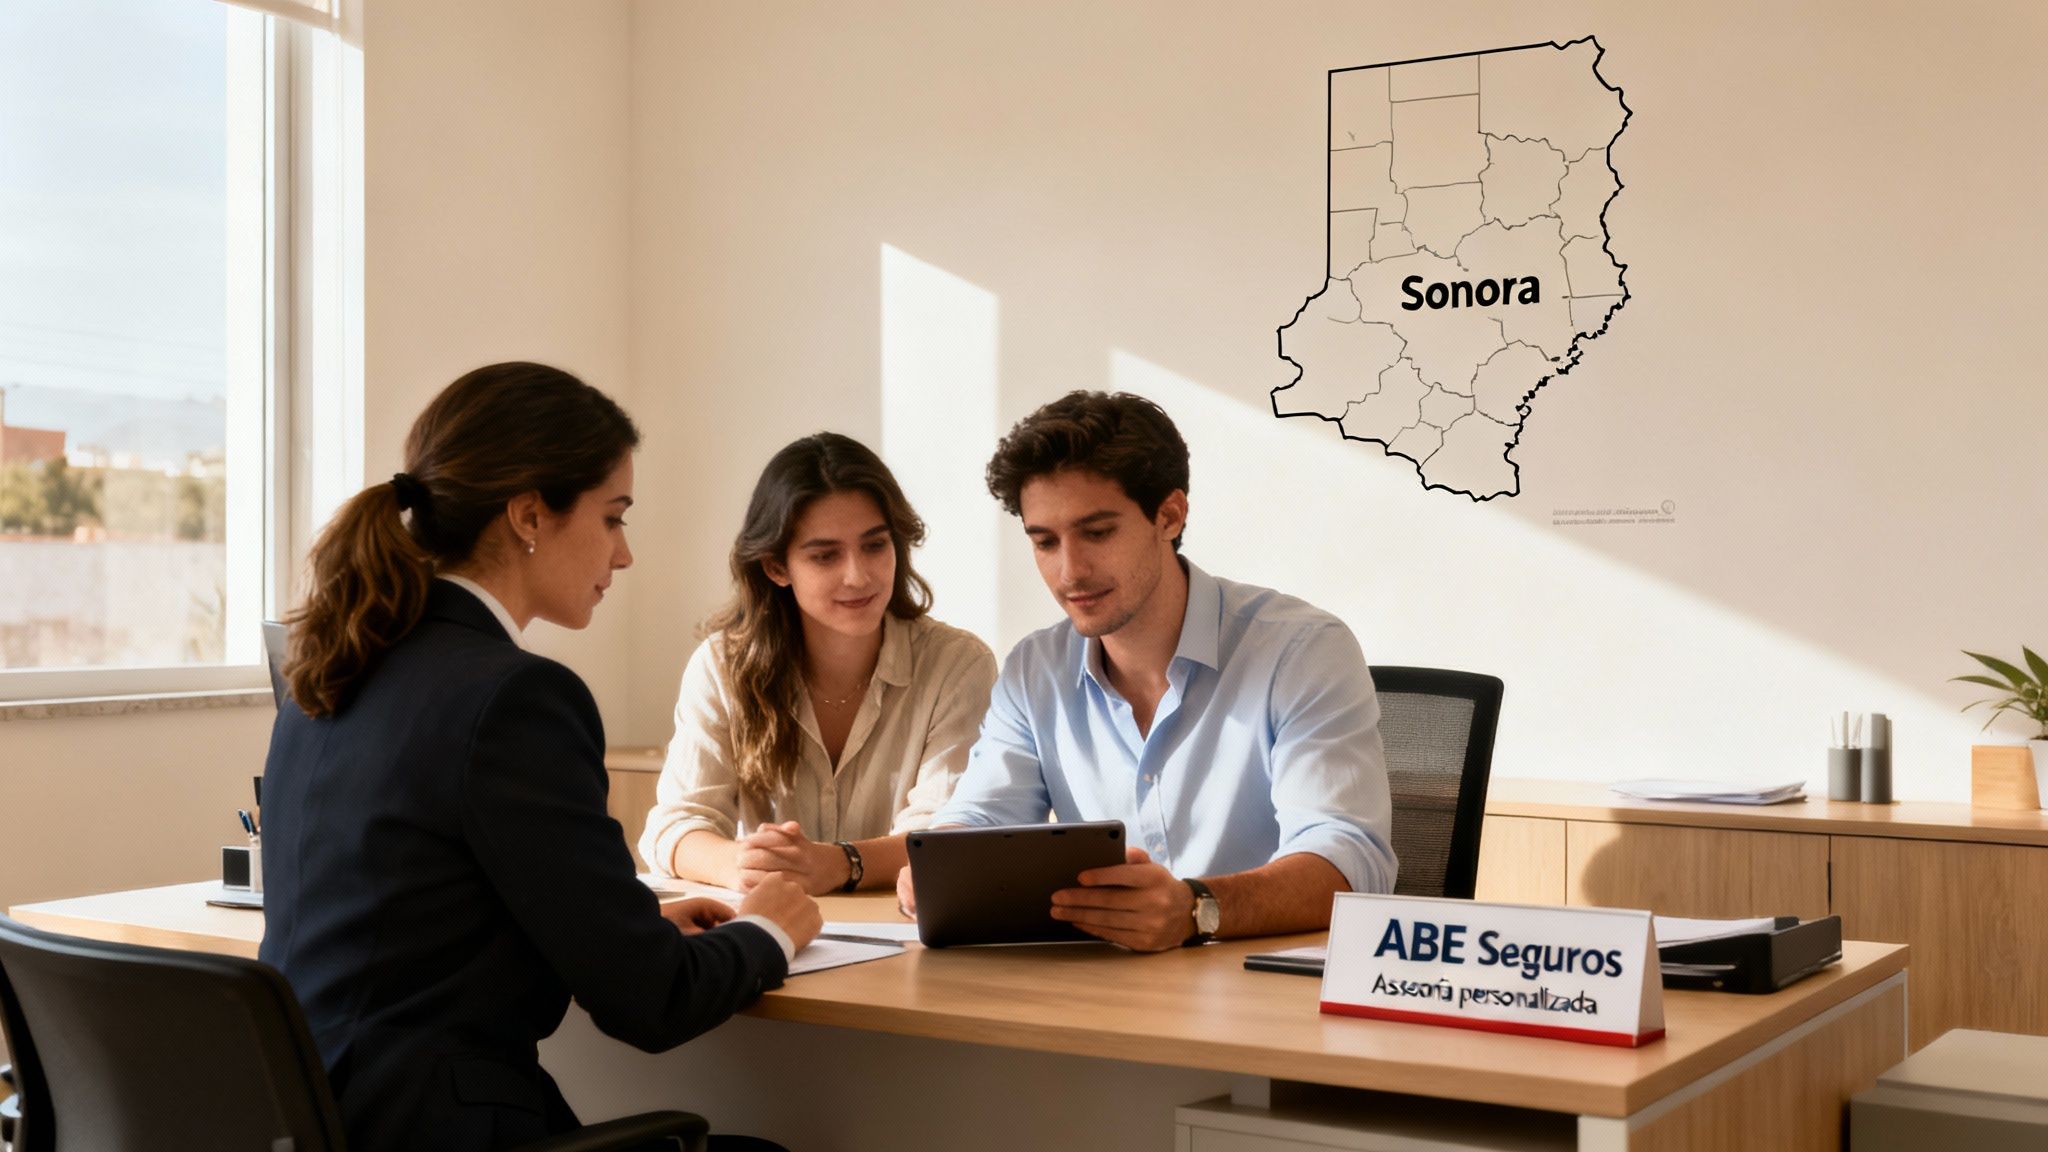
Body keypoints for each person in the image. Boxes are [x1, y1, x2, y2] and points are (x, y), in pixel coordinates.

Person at [260, 362, 820, 1152]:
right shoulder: (516, 698)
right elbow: (650, 1004)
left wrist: (631, 924)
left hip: (319, 1119)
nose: (623, 555)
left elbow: (419, 921)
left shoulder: (330, 666)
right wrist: (769, 932)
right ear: (529, 514)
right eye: (614, 516)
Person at [900, 390, 1398, 951]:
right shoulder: (1034, 670)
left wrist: (1197, 908)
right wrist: (938, 860)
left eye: (1098, 532)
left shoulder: (1301, 651)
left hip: (1262, 993)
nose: (1070, 571)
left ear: (1170, 515)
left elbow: (1348, 860)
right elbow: (983, 816)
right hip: (1106, 997)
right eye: (1045, 542)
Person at [641, 433, 997, 896]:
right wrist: (740, 863)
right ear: (776, 567)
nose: (859, 575)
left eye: (875, 545)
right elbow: (676, 824)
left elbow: (947, 834)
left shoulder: (957, 665)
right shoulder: (721, 665)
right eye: (825, 555)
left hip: (903, 939)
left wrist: (841, 863)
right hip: (770, 930)